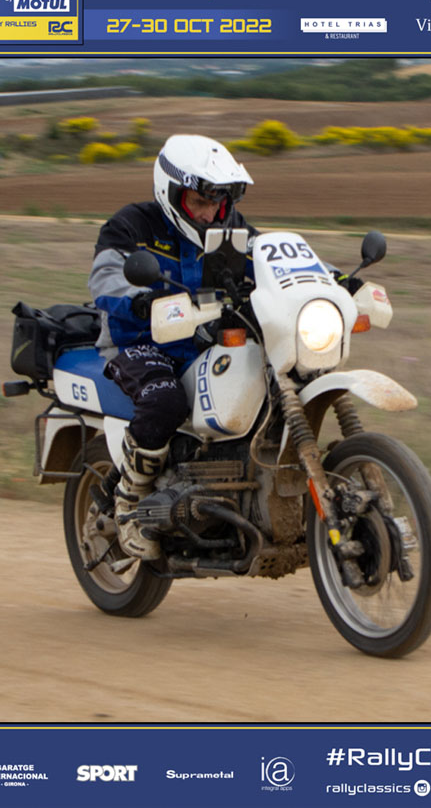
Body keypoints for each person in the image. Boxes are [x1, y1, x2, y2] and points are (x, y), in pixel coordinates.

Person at [88, 134, 257, 562]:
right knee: (165, 401)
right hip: (138, 342)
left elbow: (272, 258)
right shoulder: (132, 225)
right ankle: (129, 500)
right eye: (200, 201)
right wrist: (140, 300)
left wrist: (333, 280)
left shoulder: (231, 229)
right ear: (171, 191)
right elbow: (105, 277)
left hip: (202, 342)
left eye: (218, 202)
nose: (209, 213)